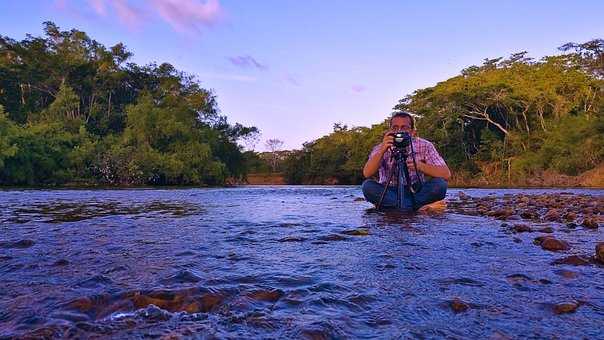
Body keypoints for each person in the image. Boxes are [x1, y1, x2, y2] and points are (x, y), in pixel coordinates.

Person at [362, 111, 450, 211]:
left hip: (416, 190)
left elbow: (446, 174)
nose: (399, 131)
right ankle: (417, 208)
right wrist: (382, 150)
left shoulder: (425, 145)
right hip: (389, 190)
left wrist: (420, 166)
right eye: (395, 128)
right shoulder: (381, 147)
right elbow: (367, 173)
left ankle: (397, 207)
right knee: (367, 186)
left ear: (412, 132)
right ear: (390, 130)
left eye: (404, 128)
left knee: (440, 184)